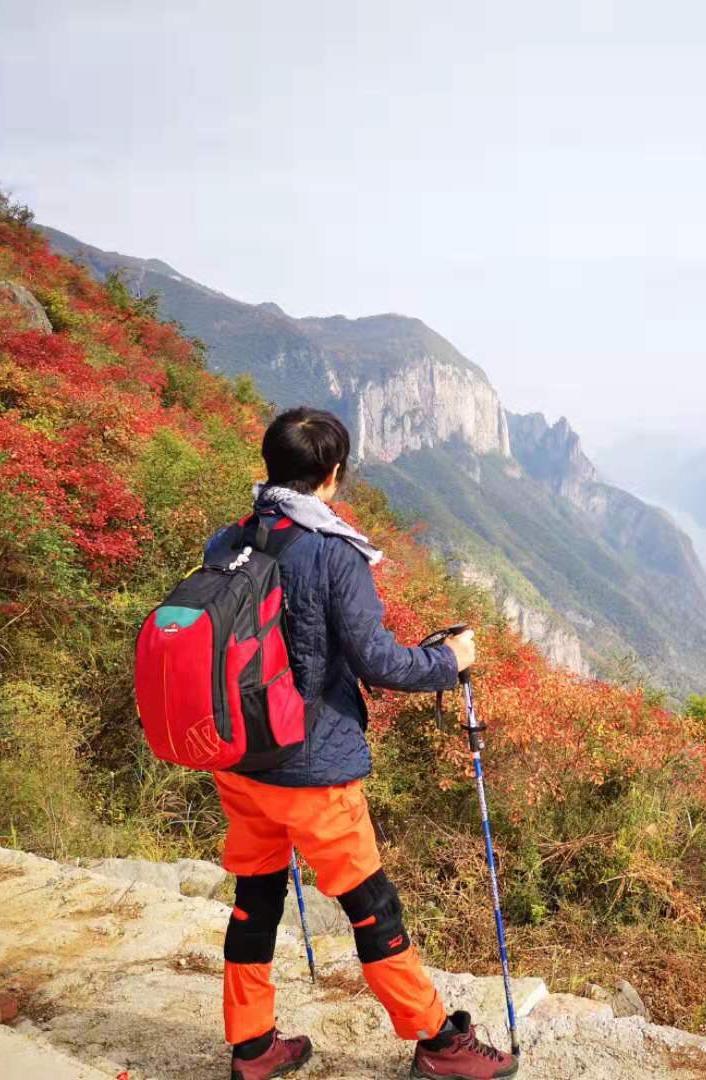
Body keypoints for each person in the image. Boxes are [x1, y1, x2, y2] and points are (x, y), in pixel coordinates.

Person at [206, 407, 518, 1080]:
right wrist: (450, 662)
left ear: (271, 466)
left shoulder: (228, 540)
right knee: (372, 908)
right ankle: (438, 1043)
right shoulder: (334, 552)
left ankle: (252, 1046)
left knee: (254, 900)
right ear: (334, 475)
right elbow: (375, 659)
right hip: (313, 771)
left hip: (239, 758)